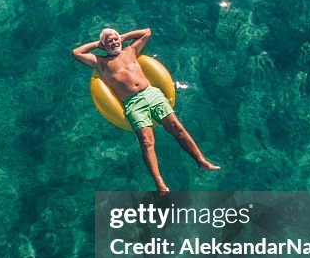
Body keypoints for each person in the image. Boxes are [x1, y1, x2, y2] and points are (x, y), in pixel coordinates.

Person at [72, 27, 220, 193]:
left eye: (115, 39)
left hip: (151, 93)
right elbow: (77, 52)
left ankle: (201, 162)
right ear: (103, 46)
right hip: (133, 103)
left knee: (177, 128)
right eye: (109, 41)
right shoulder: (100, 63)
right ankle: (160, 184)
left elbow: (147, 32)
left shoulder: (130, 50)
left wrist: (122, 37)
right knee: (147, 142)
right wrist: (98, 44)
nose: (114, 43)